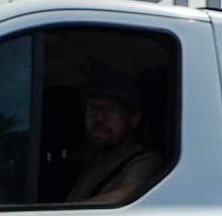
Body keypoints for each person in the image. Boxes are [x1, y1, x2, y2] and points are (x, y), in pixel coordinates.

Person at [66, 74, 163, 205]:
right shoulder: (90, 160)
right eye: (92, 109)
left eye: (111, 110)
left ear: (134, 119)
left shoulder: (145, 161)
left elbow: (123, 196)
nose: (99, 118)